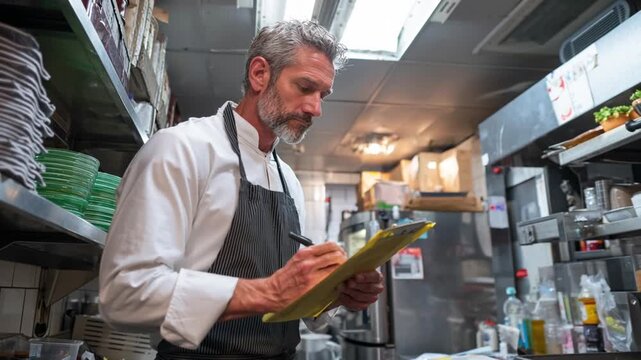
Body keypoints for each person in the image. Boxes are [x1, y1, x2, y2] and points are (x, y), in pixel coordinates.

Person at [99, 20, 384, 360]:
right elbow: (125, 293)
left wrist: (336, 294)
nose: (315, 109)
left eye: (323, 94)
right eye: (305, 87)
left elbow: (296, 300)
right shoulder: (182, 149)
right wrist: (268, 292)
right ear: (260, 74)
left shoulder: (288, 180)